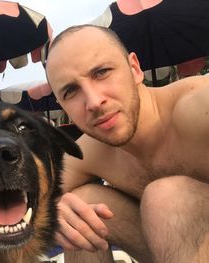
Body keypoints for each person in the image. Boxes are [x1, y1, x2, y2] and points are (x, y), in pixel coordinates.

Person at [45, 24, 209, 263]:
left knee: (166, 198)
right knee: (78, 209)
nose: (93, 102)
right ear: (63, 106)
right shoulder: (91, 152)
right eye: (71, 91)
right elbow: (31, 197)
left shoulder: (196, 109)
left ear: (134, 69)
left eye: (101, 72)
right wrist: (53, 211)